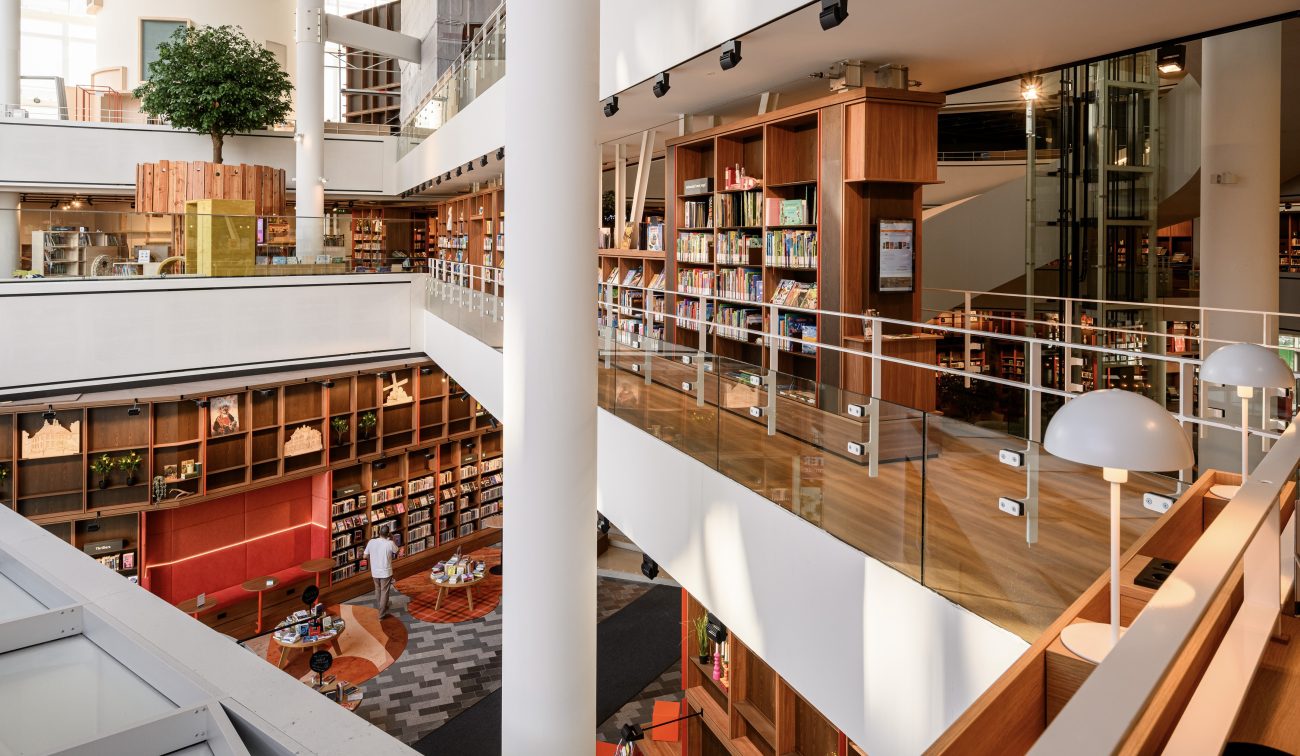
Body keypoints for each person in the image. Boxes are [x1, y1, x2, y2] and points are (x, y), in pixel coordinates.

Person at [364, 524, 403, 619]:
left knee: (378, 589)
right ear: (388, 534)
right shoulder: (390, 543)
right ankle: (381, 613)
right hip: (385, 572)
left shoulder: (371, 542)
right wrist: (393, 539)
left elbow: (365, 556)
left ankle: (382, 606)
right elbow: (397, 551)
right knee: (384, 591)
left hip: (375, 571)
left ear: (379, 533)